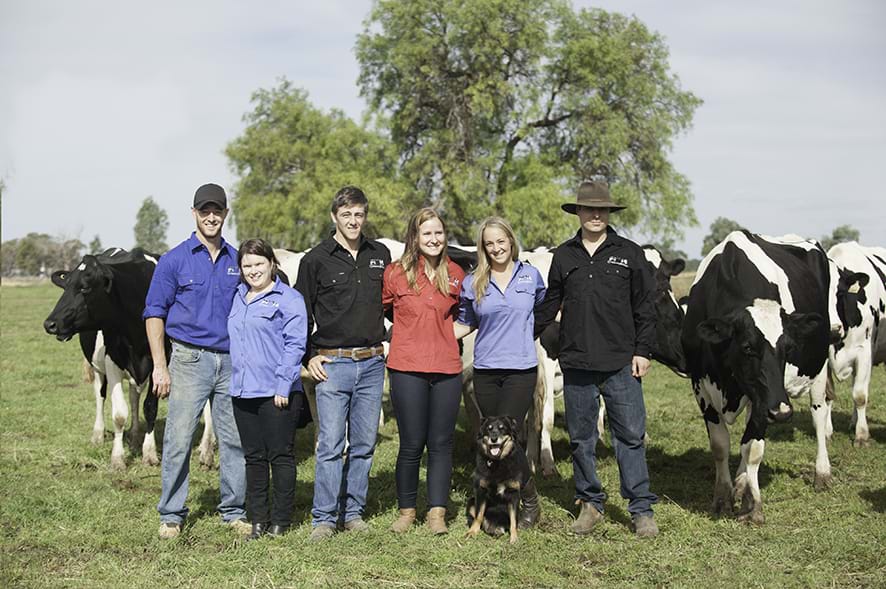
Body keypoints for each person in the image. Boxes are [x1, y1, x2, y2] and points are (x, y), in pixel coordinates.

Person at [533, 180, 659, 538]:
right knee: (581, 439)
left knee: (630, 436)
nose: (595, 214)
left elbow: (645, 307)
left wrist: (643, 350)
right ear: (578, 212)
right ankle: (590, 503)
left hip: (621, 362)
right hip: (576, 363)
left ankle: (641, 509)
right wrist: (518, 333)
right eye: (589, 208)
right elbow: (550, 304)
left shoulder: (629, 253)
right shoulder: (564, 255)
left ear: (609, 212)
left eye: (601, 209)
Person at [144, 183, 248, 539]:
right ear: (194, 214)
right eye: (205, 211)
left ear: (225, 214)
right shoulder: (174, 260)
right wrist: (160, 365)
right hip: (189, 359)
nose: (211, 217)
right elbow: (154, 313)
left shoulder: (237, 260)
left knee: (233, 439)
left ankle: (234, 511)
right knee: (179, 438)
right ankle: (171, 514)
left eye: (217, 210)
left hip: (231, 361)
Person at [294, 186, 391, 542]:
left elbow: (396, 304)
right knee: (331, 445)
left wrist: (394, 341)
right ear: (334, 216)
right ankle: (323, 518)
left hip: (372, 363)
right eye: (346, 214)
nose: (353, 221)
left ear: (365, 216)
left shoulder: (379, 254)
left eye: (359, 214)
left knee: (364, 444)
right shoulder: (315, 260)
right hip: (332, 365)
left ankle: (352, 513)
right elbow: (299, 313)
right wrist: (308, 355)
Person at [453, 216, 545, 528]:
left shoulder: (530, 276)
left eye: (500, 241)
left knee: (510, 439)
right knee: (491, 439)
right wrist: (428, 335)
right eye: (489, 243)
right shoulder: (473, 282)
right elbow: (465, 322)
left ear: (511, 241)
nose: (496, 248)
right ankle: (493, 506)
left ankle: (529, 499)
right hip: (486, 371)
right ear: (483, 247)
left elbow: (543, 310)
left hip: (520, 370)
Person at [383, 208, 465, 535]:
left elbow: (466, 314)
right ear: (415, 238)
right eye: (427, 233)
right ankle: (407, 511)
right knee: (411, 443)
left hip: (446, 368)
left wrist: (444, 335)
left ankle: (437, 514)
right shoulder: (395, 273)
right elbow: (388, 310)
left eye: (438, 233)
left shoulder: (456, 273)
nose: (434, 239)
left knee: (442, 443)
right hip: (407, 367)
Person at [228, 239, 308, 540]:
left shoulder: (289, 299)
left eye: (259, 263)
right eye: (247, 265)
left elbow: (295, 344)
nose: (253, 270)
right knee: (253, 458)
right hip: (243, 392)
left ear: (272, 264)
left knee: (280, 456)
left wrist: (283, 385)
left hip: (276, 392)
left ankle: (281, 521)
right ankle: (258, 520)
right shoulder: (238, 297)